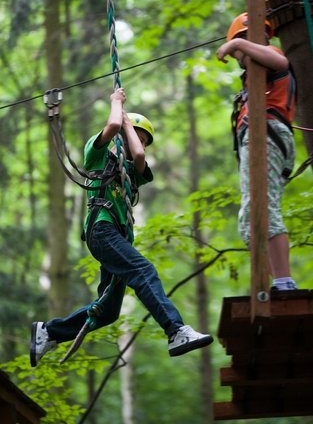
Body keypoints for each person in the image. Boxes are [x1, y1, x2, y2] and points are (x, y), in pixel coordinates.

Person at [30, 87, 213, 367]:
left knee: (108, 312)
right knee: (143, 271)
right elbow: (113, 124)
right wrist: (117, 106)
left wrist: (131, 127)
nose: (134, 143)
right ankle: (176, 331)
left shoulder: (131, 174)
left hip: (114, 235)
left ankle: (49, 332)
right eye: (132, 137)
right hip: (101, 230)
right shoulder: (98, 154)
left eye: (141, 140)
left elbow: (139, 158)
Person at [216, 12, 297, 291]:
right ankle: (275, 280)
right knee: (251, 216)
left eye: (248, 41)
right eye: (241, 42)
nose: (244, 47)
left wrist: (234, 45)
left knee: (262, 208)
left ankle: (284, 282)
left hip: (268, 136)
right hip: (264, 139)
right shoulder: (254, 78)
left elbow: (280, 61)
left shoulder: (271, 56)